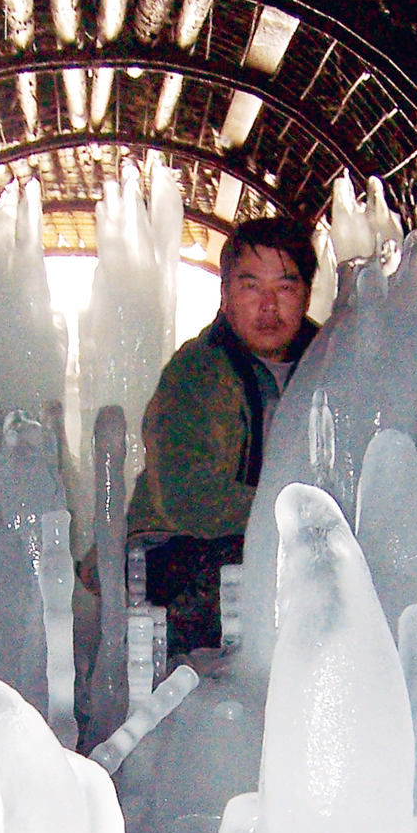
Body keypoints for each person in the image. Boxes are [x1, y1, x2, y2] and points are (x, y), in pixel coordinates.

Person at [126, 217, 319, 656]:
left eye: (285, 287)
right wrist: (299, 515)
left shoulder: (332, 361)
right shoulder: (197, 372)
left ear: (306, 293)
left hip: (282, 542)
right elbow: (189, 499)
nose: (268, 306)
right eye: (251, 287)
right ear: (226, 294)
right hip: (175, 553)